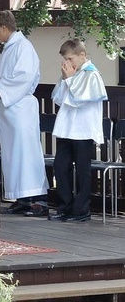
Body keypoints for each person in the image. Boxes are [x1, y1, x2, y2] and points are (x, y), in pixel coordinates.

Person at [0, 10, 49, 217]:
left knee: (26, 154)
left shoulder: (23, 47)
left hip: (21, 107)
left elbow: (23, 77)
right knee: (13, 155)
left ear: (4, 28)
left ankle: (38, 199)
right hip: (10, 109)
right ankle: (22, 198)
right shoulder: (10, 47)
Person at [49, 39, 107, 222]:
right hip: (67, 130)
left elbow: (80, 99)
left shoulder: (92, 75)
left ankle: (81, 210)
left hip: (83, 131)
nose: (68, 63)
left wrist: (70, 79)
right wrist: (66, 79)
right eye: (65, 59)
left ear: (82, 55)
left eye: (70, 58)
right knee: (61, 166)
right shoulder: (71, 74)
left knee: (83, 170)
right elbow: (58, 98)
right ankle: (64, 207)